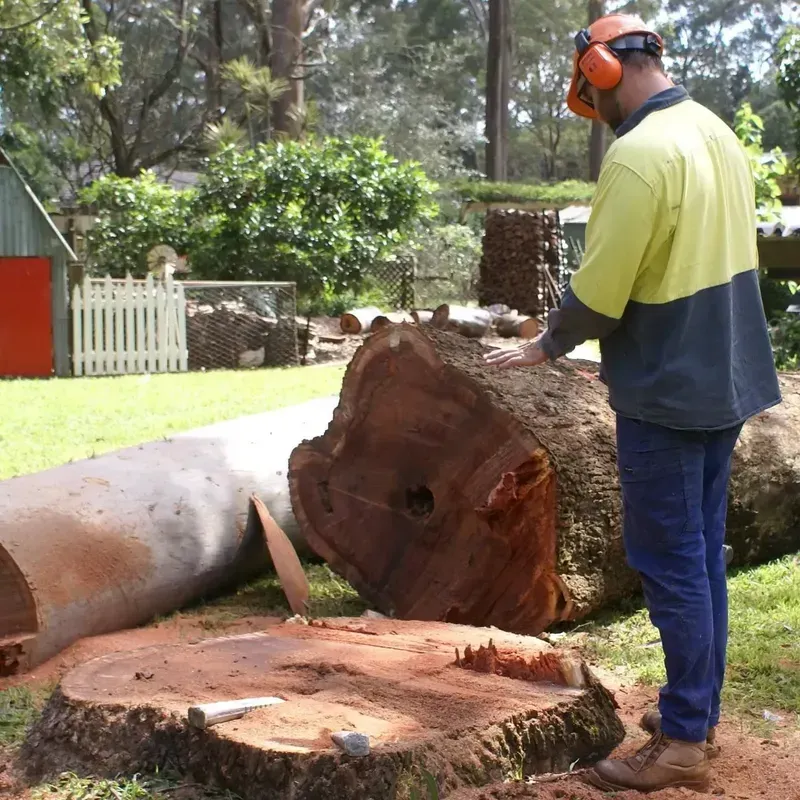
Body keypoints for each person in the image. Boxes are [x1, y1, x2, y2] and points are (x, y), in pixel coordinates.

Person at [484, 12, 781, 794]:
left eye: (593, 96)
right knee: (702, 556)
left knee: (670, 560)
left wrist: (548, 344)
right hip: (725, 376)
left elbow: (603, 292)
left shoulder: (639, 155)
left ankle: (683, 742)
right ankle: (696, 708)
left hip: (668, 389)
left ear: (605, 72)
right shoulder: (714, 131)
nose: (599, 112)